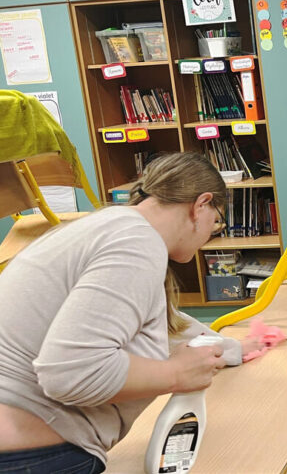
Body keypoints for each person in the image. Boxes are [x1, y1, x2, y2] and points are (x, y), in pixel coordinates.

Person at [0, 152, 266, 473]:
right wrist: (176, 374)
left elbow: (165, 325)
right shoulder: (137, 244)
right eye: (217, 219)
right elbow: (70, 372)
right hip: (33, 458)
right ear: (201, 205)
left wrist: (232, 349)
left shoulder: (112, 225)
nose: (213, 230)